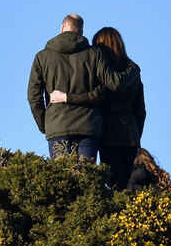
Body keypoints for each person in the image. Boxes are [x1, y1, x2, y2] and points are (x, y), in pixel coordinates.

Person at [28, 14, 138, 161]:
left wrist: (45, 124)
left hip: (57, 125)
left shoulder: (42, 57)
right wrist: (134, 69)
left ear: (62, 28)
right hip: (89, 126)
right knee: (87, 177)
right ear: (81, 32)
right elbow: (111, 84)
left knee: (63, 178)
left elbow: (33, 97)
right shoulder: (95, 54)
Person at [49, 27, 144, 190]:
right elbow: (141, 109)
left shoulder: (102, 71)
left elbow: (94, 97)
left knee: (111, 184)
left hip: (108, 134)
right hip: (130, 135)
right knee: (123, 185)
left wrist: (66, 97)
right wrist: (136, 135)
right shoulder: (132, 70)